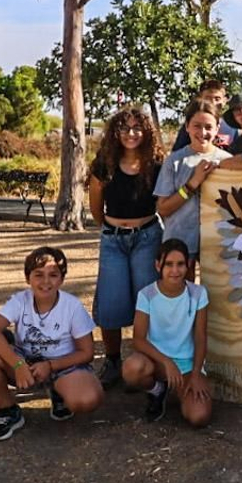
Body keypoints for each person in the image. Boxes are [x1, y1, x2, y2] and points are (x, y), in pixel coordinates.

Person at [0, 246, 104, 442]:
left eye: (53, 275)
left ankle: (60, 393)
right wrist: (18, 364)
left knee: (87, 400)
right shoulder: (20, 300)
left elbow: (87, 352)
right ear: (28, 278)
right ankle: (8, 411)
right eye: (38, 275)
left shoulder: (72, 306)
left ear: (62, 279)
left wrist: (50, 366)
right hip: (26, 364)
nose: (45, 281)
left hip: (63, 365)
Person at [89, 104, 165, 389]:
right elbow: (95, 203)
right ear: (115, 132)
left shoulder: (156, 164)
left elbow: (163, 202)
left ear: (146, 132)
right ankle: (112, 360)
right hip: (113, 240)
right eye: (125, 128)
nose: (131, 133)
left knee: (147, 301)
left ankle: (146, 359)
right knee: (111, 300)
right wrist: (110, 226)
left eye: (137, 128)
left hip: (147, 237)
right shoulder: (104, 163)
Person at [124, 239, 213, 427]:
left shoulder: (198, 293)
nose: (175, 270)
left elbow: (200, 337)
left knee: (199, 416)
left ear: (188, 264)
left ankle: (179, 390)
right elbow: (138, 340)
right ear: (158, 266)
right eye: (169, 264)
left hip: (187, 365)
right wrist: (166, 362)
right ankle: (157, 390)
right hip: (158, 362)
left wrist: (196, 373)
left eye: (180, 264)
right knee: (132, 368)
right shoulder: (146, 295)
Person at [155, 100, 228, 276]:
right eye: (197, 126)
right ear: (187, 126)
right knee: (183, 294)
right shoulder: (174, 161)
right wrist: (191, 185)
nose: (203, 132)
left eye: (208, 127)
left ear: (217, 128)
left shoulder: (228, 161)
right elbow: (163, 208)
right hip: (180, 240)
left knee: (215, 297)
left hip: (216, 241)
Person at [170, 79, 239, 153]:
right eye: (208, 98)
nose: (213, 103)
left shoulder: (231, 126)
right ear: (200, 99)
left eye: (217, 99)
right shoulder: (192, 126)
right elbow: (177, 154)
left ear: (224, 100)